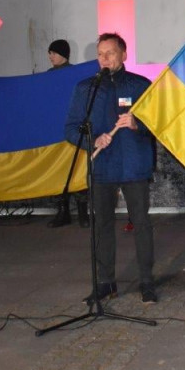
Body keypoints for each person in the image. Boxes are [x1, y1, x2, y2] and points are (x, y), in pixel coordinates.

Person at [64, 33, 157, 304]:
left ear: (124, 55)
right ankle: (105, 283)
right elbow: (71, 129)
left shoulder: (141, 85)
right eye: (101, 54)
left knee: (141, 224)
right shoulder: (86, 89)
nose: (105, 59)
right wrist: (93, 139)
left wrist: (138, 124)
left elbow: (160, 126)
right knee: (101, 226)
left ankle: (147, 282)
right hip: (103, 167)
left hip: (133, 166)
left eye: (111, 53)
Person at [46, 39, 90, 229]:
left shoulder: (75, 74)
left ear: (63, 54)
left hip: (72, 130)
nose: (50, 57)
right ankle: (62, 212)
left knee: (77, 170)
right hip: (55, 132)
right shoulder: (46, 76)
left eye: (53, 53)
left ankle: (83, 213)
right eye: (50, 53)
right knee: (58, 172)